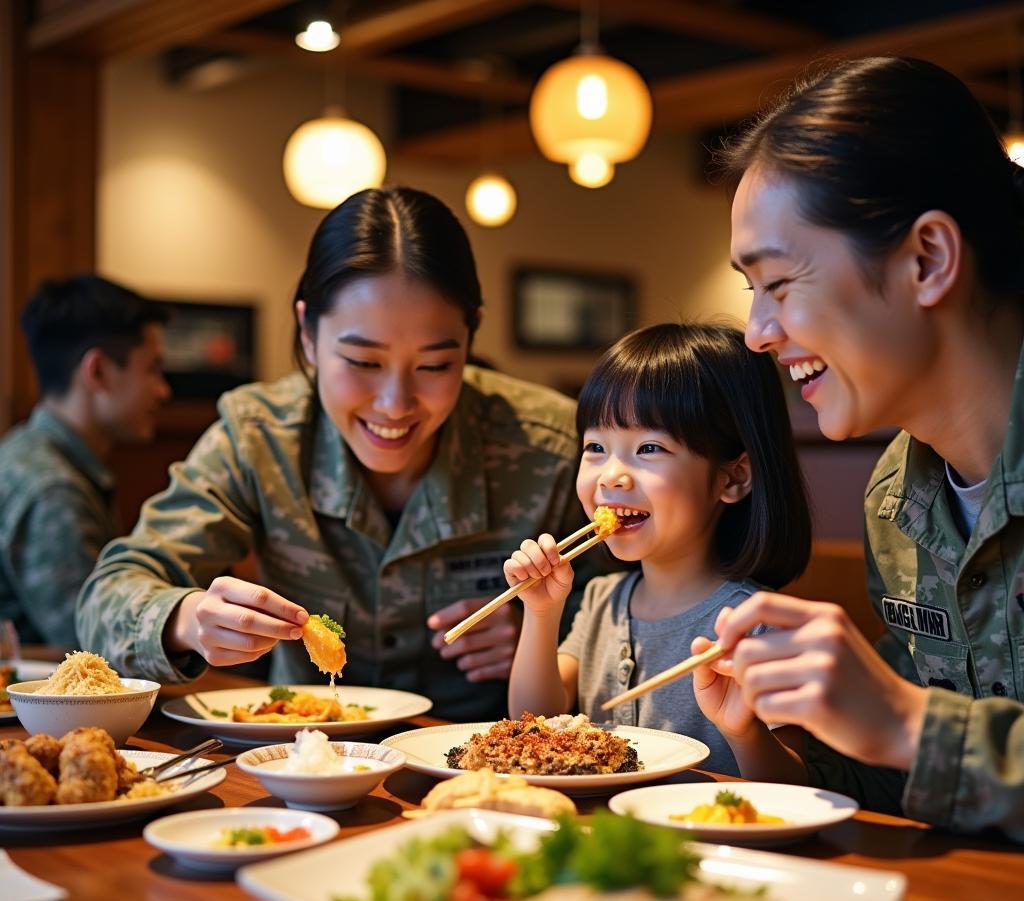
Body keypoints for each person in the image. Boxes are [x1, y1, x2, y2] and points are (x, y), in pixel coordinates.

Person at [76, 187, 595, 721]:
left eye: (435, 367)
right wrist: (184, 619)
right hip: (297, 765)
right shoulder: (259, 437)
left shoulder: (550, 446)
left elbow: (639, 609)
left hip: (490, 772)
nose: (395, 405)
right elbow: (107, 594)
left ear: (470, 336)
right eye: (362, 363)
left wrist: (548, 639)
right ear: (307, 333)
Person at [693, 56, 1024, 840]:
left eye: (778, 282)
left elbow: (915, 739)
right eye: (752, 292)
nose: (757, 334)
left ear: (927, 260)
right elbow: (898, 786)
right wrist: (765, 734)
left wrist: (910, 720)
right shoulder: (894, 497)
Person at [504, 322, 811, 773]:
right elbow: (530, 728)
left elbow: (793, 787)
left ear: (733, 477)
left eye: (648, 447)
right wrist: (541, 613)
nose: (611, 476)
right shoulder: (602, 601)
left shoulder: (759, 626)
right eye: (595, 446)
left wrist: (744, 730)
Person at [0, 275, 170, 648]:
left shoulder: (27, 454)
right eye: (152, 369)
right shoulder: (52, 489)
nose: (163, 390)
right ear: (97, 371)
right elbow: (94, 642)